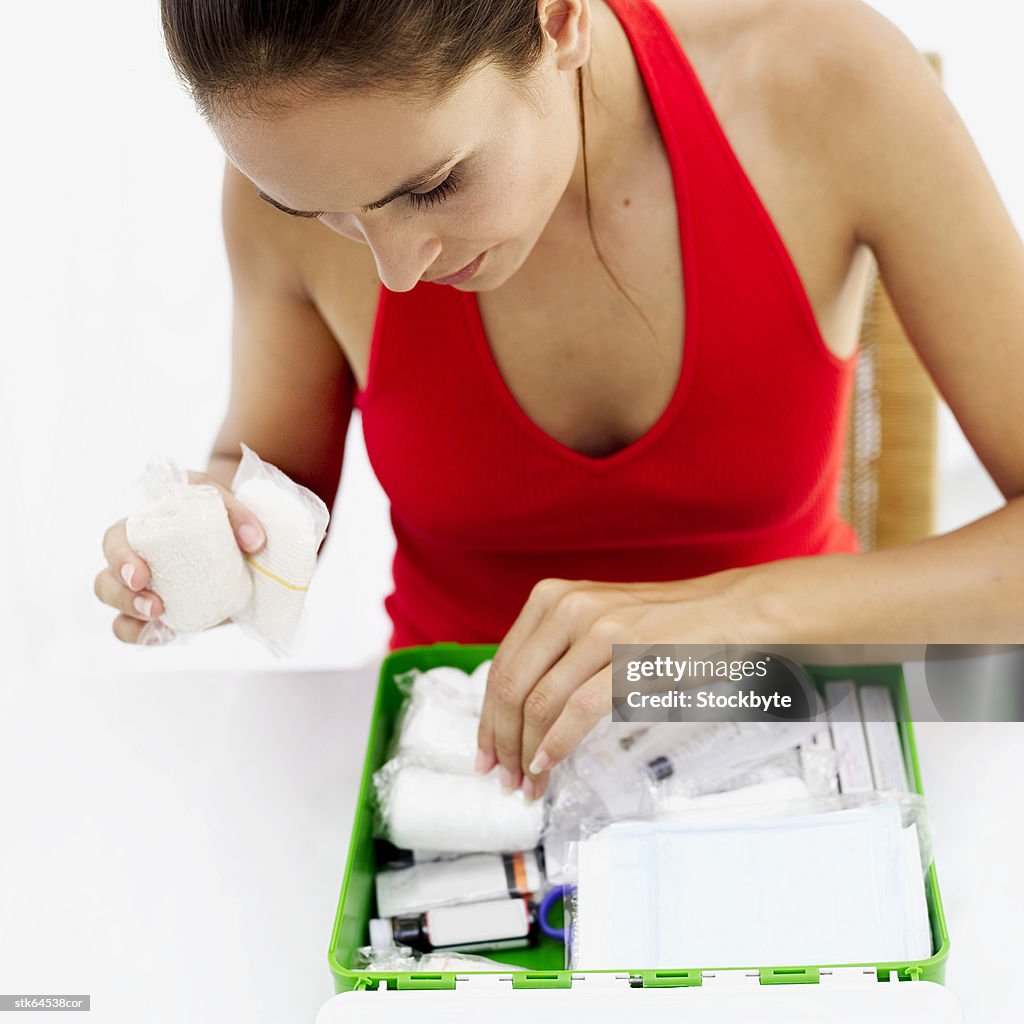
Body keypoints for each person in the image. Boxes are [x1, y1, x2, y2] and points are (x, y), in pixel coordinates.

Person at [95, 0, 1024, 803]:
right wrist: (215, 530)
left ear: (560, 18)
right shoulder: (296, 167)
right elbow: (272, 474)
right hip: (465, 765)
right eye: (325, 216)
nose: (396, 270)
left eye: (432, 185)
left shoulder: (830, 80)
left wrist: (731, 619)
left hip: (778, 714)